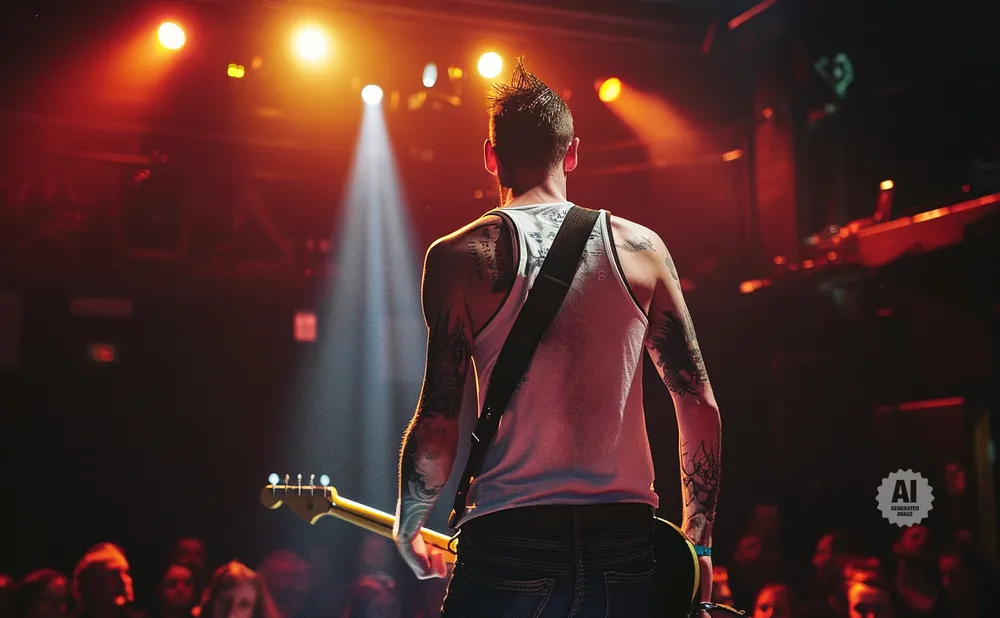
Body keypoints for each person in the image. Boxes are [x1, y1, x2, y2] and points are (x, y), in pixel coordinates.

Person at [392, 57, 723, 617]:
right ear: (572, 153)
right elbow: (699, 406)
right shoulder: (642, 249)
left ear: (491, 156)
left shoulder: (457, 257)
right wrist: (699, 546)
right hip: (626, 544)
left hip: (509, 543)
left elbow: (437, 423)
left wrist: (409, 523)